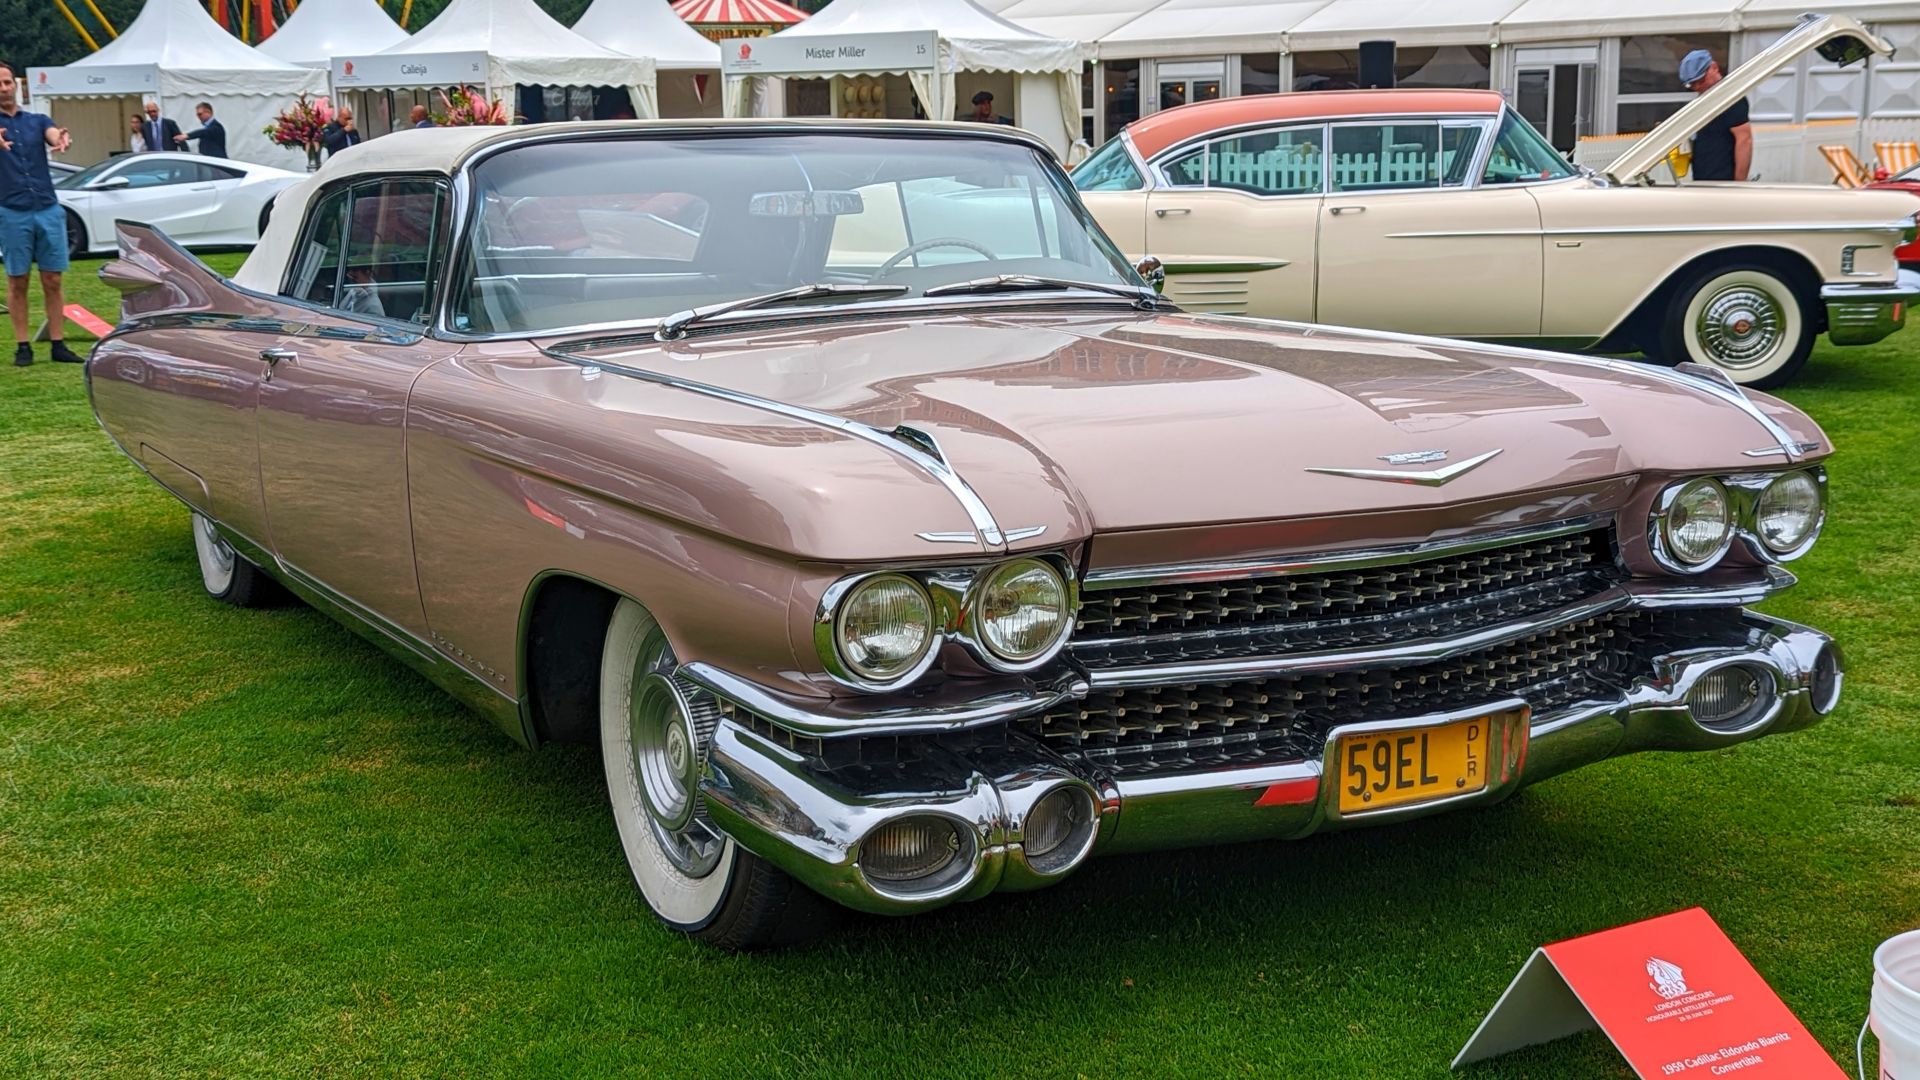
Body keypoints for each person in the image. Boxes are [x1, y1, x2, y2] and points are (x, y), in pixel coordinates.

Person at [0, 60, 83, 367]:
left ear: (15, 85)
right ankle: (23, 347)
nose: (4, 88)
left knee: (52, 280)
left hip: (47, 208)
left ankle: (58, 344)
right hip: (12, 211)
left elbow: (52, 133)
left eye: (8, 82)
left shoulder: (36, 120)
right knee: (17, 280)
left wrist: (60, 138)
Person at [1678, 49, 1751, 182]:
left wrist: (1740, 182)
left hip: (1724, 181)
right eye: (1692, 84)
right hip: (1702, 179)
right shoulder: (1704, 100)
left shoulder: (1731, 98)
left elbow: (1744, 139)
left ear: (1714, 68)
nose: (1698, 87)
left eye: (1701, 80)